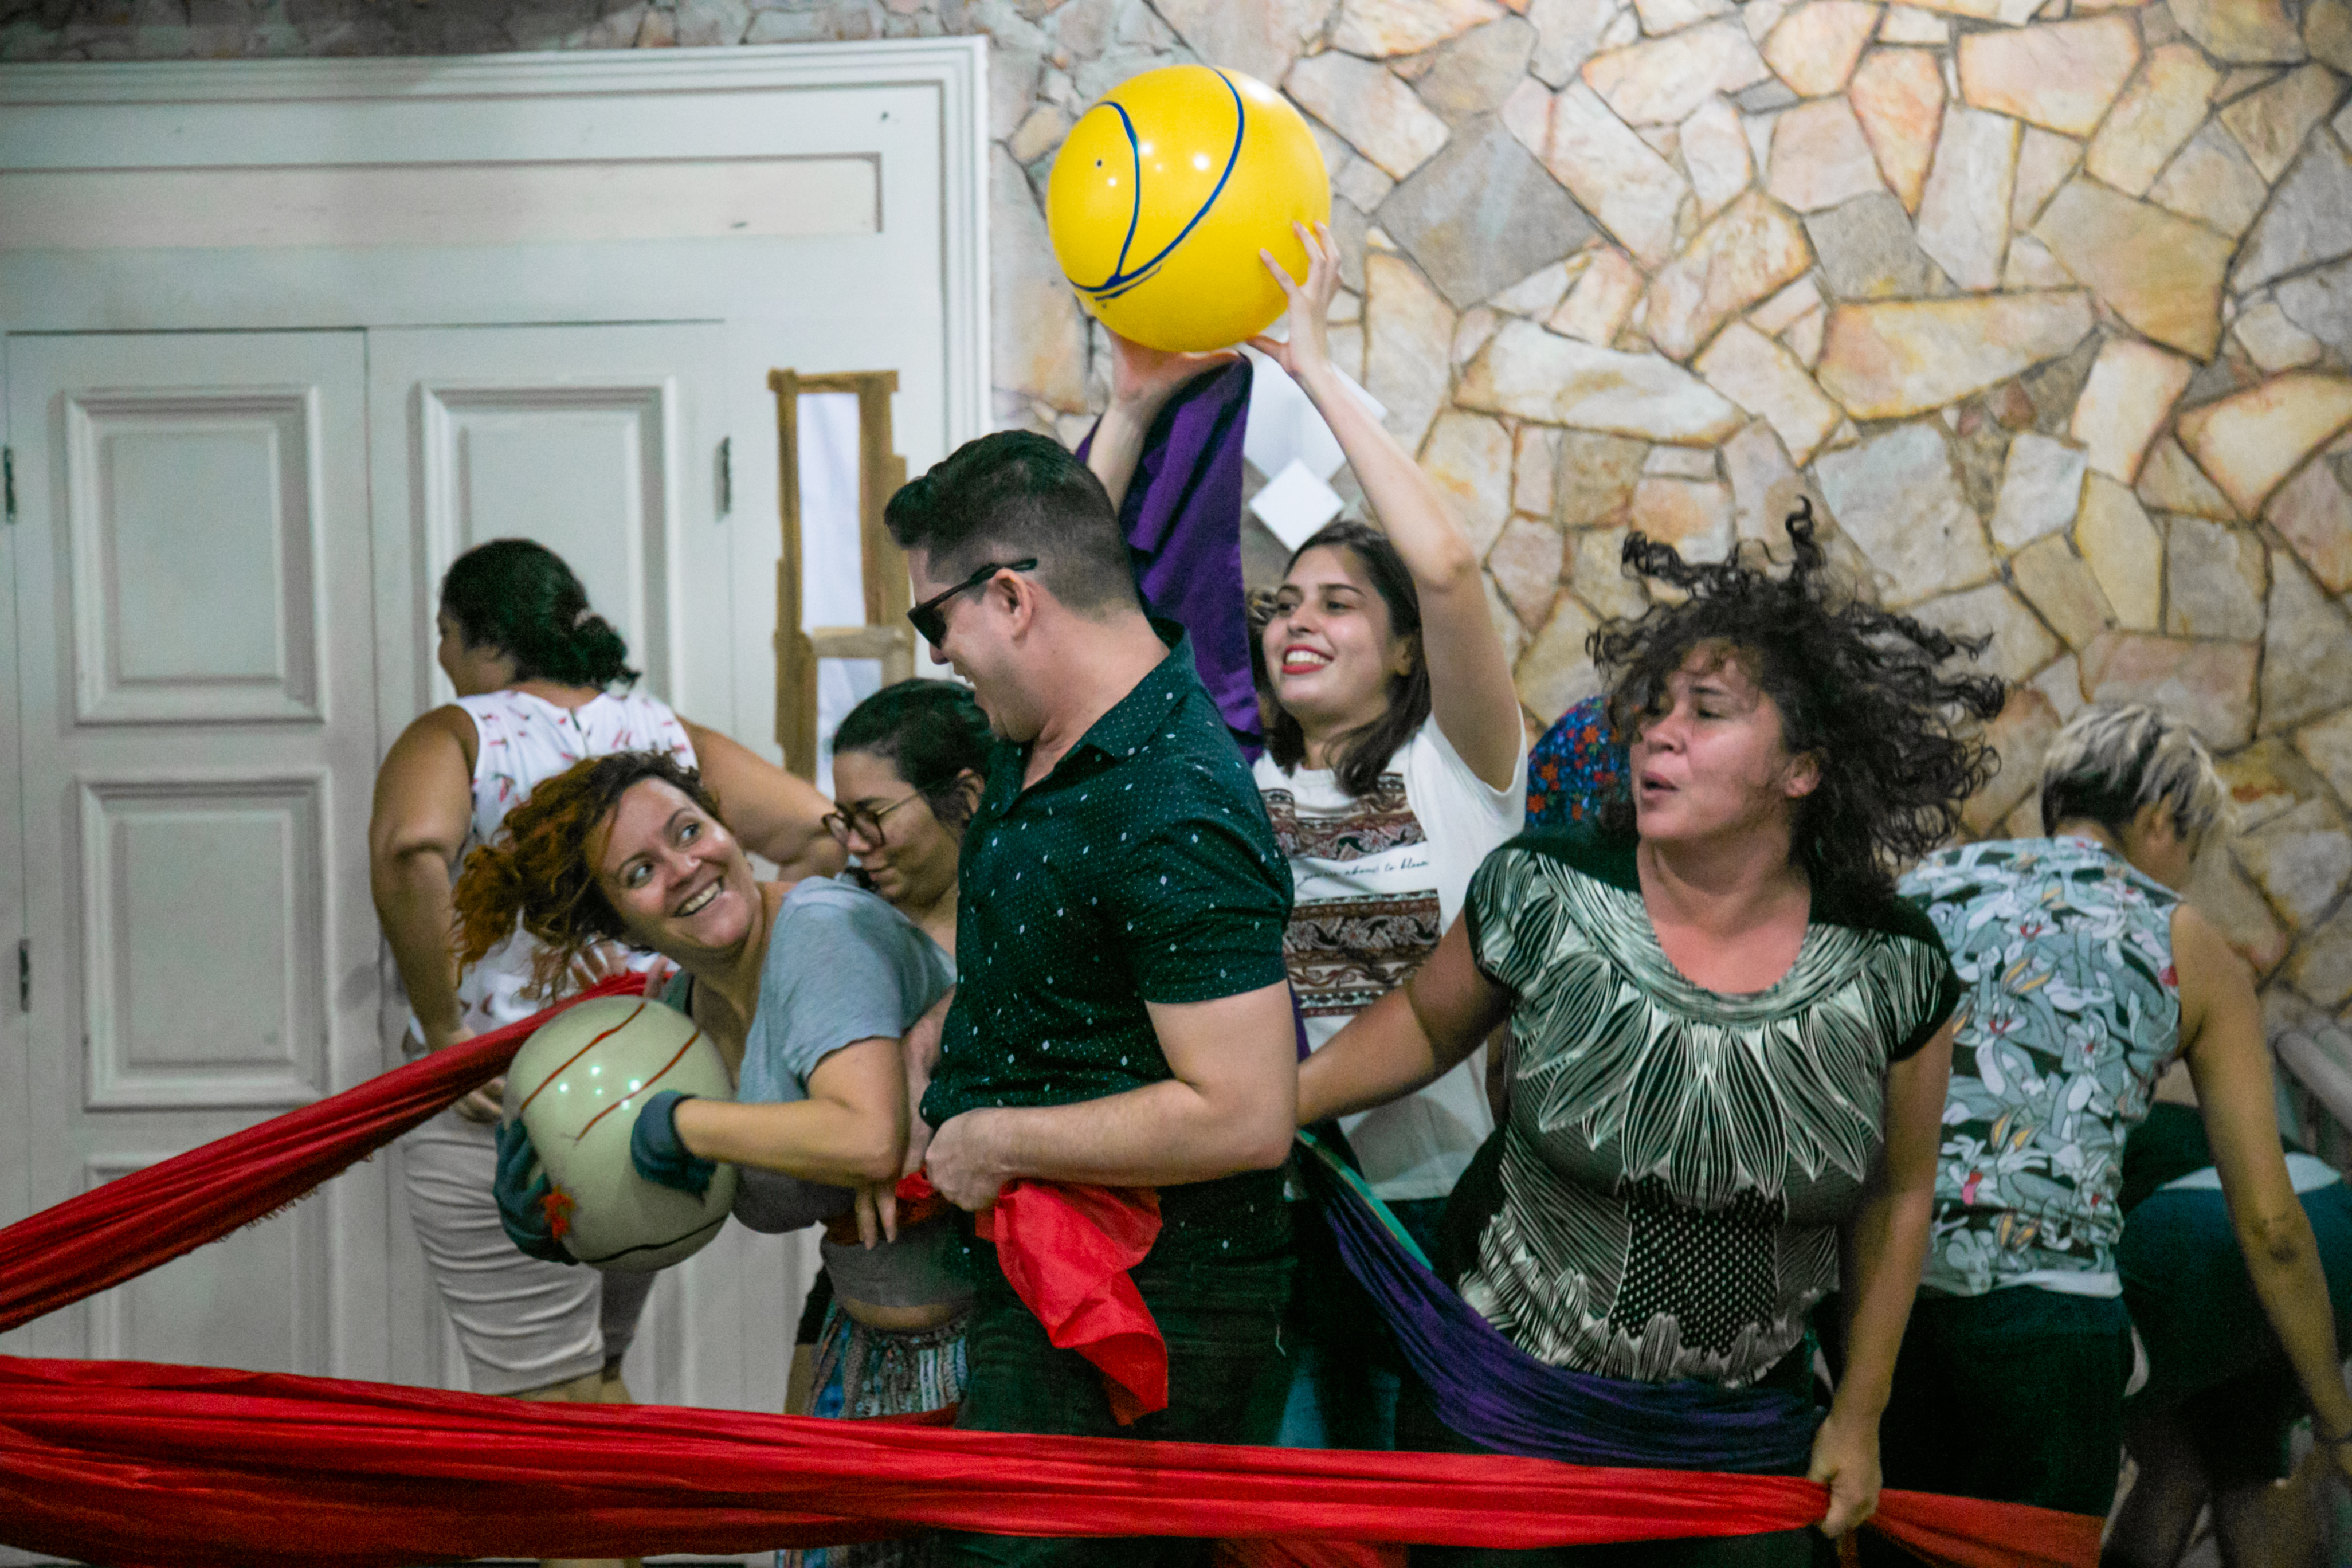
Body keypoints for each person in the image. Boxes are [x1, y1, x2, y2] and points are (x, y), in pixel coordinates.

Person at [1297, 513, 1994, 1563]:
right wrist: (1263, 1108)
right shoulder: (1546, 890)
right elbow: (1425, 1023)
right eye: (1651, 709)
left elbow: (1897, 1194)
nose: (1656, 734)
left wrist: (1856, 1414)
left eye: (1704, 713)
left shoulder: (1891, 966)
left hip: (1737, 1441)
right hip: (1505, 1417)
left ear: (1801, 769)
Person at [1088, 221, 1523, 1448]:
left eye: (1339, 603)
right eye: (1280, 605)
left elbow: (1442, 565)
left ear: (1401, 648)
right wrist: (1128, 412)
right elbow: (1082, 617)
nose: (1296, 621)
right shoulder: (1223, 777)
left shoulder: (1467, 766)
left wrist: (1314, 365)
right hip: (1251, 1206)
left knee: (1417, 1505)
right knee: (1275, 1513)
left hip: (1427, 1206)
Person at [366, 538, 840, 1558]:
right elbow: (818, 834)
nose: (440, 654)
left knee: (554, 1429)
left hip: (500, 1107)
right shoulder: (656, 735)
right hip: (642, 1092)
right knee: (589, 1390)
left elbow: (411, 847)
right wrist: (727, 1010)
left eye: (443, 633)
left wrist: (446, 1028)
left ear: (478, 634)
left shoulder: (458, 730)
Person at [885, 427, 1299, 1567]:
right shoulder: (1049, 728)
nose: (940, 655)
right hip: (1039, 1267)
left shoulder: (1174, 799)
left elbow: (1245, 1112)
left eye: (937, 623)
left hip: (1143, 1306)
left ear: (1012, 599)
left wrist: (997, 1138)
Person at [454, 721, 975, 1568]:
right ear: (616, 921)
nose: (685, 868)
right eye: (640, 872)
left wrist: (680, 1122)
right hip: (870, 1356)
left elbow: (867, 1136)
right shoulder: (675, 1012)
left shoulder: (817, 929)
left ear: (725, 827)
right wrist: (566, 1218)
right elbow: (673, 1205)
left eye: (689, 831)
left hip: (999, 1355)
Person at [1880, 704, 2352, 1538]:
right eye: (2190, 849)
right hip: (2048, 1337)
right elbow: (2272, 1224)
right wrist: (2337, 1420)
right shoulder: (2184, 940)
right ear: (2160, 820)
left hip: (1881, 1307)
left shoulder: (1927, 884)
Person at [2107, 1075, 2352, 1567]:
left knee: (2161, 1458)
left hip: (2203, 1235)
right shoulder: (2163, 1124)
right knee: (2237, 1470)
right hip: (2335, 1236)